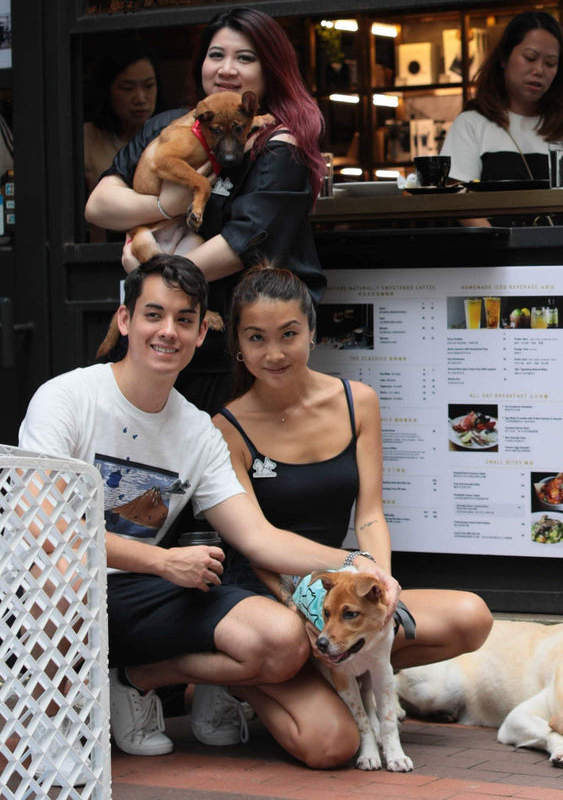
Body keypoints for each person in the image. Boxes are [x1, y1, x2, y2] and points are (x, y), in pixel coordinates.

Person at [17, 254, 401, 765]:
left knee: (285, 638)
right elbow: (49, 533)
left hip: (138, 596)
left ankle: (131, 682)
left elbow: (258, 537)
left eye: (184, 319)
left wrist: (354, 563)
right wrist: (161, 561)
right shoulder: (67, 398)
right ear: (125, 320)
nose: (168, 331)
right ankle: (51, 730)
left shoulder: (198, 431)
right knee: (62, 570)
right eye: (153, 315)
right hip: (54, 587)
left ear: (201, 335)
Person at [211, 262, 493, 760]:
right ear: (238, 343)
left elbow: (369, 514)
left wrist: (380, 583)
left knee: (471, 617)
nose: (274, 353)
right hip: (266, 588)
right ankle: (242, 683)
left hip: (338, 587)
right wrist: (347, 567)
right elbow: (256, 542)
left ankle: (345, 670)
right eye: (256, 338)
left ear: (313, 333)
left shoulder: (356, 401)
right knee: (331, 747)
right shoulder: (227, 426)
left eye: (289, 334)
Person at [85, 7, 327, 414]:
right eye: (216, 55)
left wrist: (152, 274)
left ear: (271, 69)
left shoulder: (280, 147)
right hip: (162, 341)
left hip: (229, 351)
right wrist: (162, 205)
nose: (226, 69)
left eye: (244, 58)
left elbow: (238, 247)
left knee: (222, 465)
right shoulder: (173, 124)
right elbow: (100, 203)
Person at [439, 10, 563, 226]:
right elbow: (463, 207)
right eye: (529, 58)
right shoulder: (472, 124)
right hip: (497, 253)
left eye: (550, 63)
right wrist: (506, 250)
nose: (539, 70)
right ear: (504, 58)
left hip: (562, 253)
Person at [82, 40, 163, 195]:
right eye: (127, 88)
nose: (140, 98)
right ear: (107, 90)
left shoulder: (171, 132)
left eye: (148, 86)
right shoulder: (87, 138)